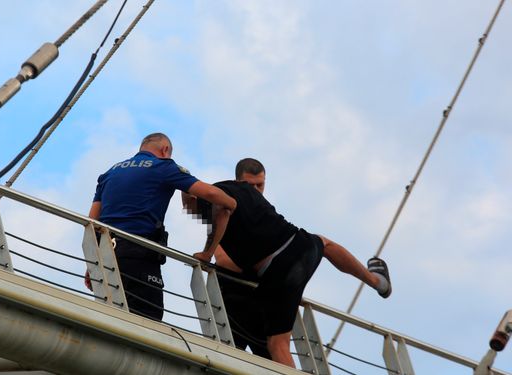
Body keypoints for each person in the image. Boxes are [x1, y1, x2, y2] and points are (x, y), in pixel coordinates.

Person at [185, 178, 391, 368]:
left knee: (277, 345)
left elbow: (223, 215)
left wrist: (206, 253)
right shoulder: (244, 191)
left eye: (187, 205)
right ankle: (377, 281)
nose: (188, 211)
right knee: (324, 243)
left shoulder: (210, 202)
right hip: (301, 245)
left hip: (280, 270)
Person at [87, 132, 236, 321]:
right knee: (147, 322)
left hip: (104, 256)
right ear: (165, 150)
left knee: (108, 320)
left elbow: (92, 222)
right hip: (139, 258)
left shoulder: (109, 173)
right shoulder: (163, 167)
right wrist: (232, 203)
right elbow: (209, 193)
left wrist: (92, 263)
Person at [213, 158, 270, 359]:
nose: (255, 190)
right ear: (238, 183)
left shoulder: (269, 216)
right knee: (226, 360)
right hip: (233, 303)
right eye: (249, 185)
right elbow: (222, 259)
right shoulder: (225, 213)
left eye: (260, 185)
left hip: (262, 305)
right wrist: (262, 265)